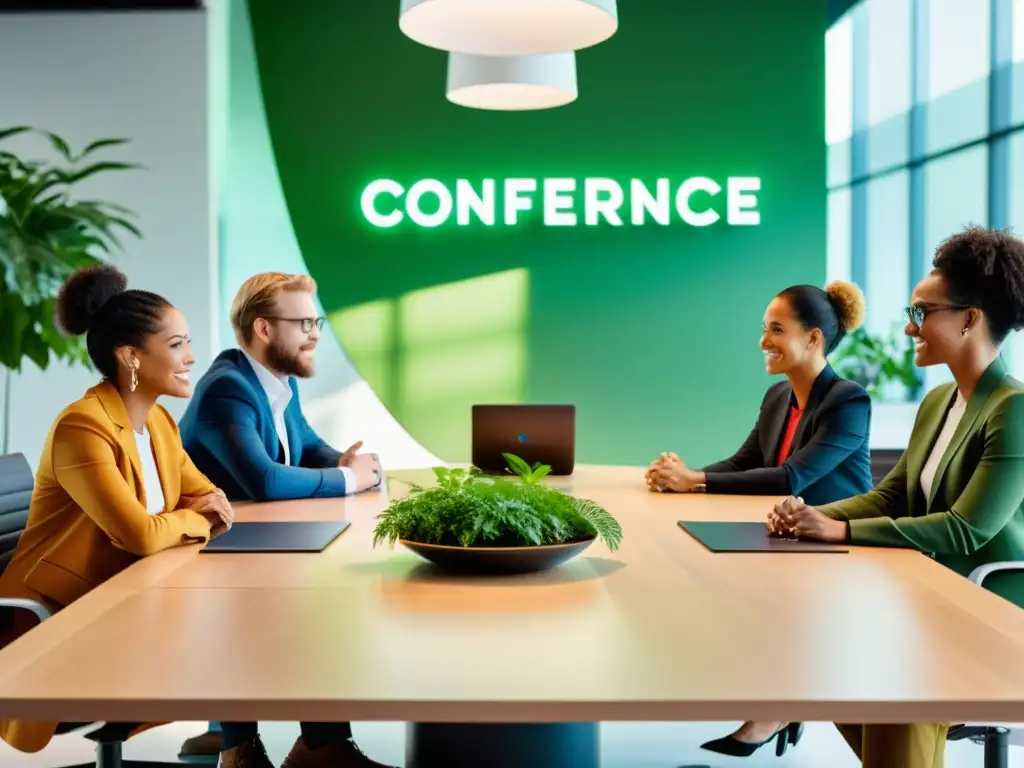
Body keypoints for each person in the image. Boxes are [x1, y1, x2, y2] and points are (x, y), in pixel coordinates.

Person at [769, 226, 1024, 768]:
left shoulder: (1013, 408)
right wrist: (811, 515)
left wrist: (839, 530)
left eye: (922, 313)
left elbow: (966, 528)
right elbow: (891, 497)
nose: (910, 328)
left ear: (970, 318)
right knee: (823, 650)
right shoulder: (937, 402)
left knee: (895, 682)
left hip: (993, 612)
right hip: (930, 596)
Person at [0, 265, 234, 755]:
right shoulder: (82, 427)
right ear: (130, 356)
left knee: (244, 615)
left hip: (120, 595)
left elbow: (209, 495)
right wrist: (195, 520)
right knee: (235, 628)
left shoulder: (160, 424)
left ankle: (240, 748)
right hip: (61, 620)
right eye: (176, 345)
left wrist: (193, 514)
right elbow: (141, 536)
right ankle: (241, 749)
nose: (191, 357)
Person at [645, 280, 872, 759]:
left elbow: (792, 477)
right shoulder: (778, 398)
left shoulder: (848, 401)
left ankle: (777, 708)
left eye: (776, 329)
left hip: (839, 545)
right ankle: (778, 703)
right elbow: (745, 461)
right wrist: (685, 476)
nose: (763, 341)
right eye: (763, 329)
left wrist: (695, 482)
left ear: (813, 339)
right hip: (784, 535)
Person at [177, 272, 390, 768]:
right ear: (264, 329)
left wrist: (347, 462)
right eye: (303, 322)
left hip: (248, 544)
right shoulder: (227, 388)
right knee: (317, 604)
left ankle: (319, 745)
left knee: (326, 598)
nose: (315, 333)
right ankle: (246, 750)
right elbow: (265, 481)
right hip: (203, 559)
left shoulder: (274, 380)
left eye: (316, 321)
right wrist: (347, 480)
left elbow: (305, 444)